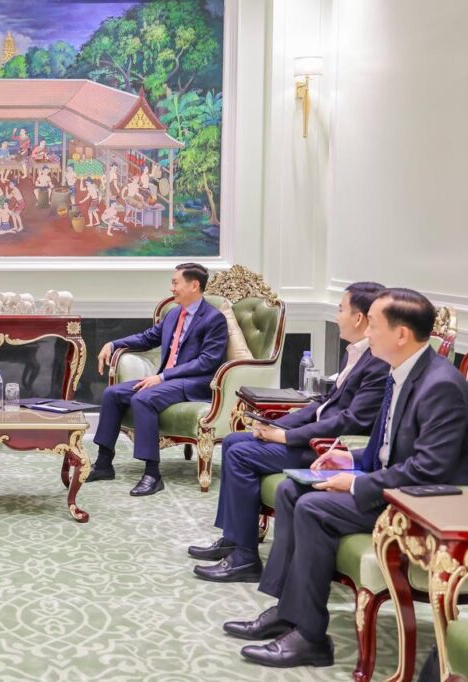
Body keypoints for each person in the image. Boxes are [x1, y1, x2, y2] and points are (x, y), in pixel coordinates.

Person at [226, 288, 468, 669]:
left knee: (313, 507)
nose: (367, 333)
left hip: (419, 503)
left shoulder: (441, 385)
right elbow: (385, 448)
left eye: (374, 325)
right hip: (391, 483)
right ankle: (289, 612)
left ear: (401, 334)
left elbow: (428, 469)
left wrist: (355, 483)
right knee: (290, 489)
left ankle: (310, 638)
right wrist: (348, 459)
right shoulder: (400, 371)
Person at [190, 282, 389, 583]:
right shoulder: (355, 352)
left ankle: (245, 559)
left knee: (241, 453)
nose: (337, 316)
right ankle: (233, 538)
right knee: (232, 441)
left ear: (359, 318)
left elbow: (351, 421)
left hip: (331, 447)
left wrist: (285, 437)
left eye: (341, 310)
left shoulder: (378, 362)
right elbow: (325, 403)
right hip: (315, 435)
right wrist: (282, 423)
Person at [92, 263, 228, 495]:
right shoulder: (174, 314)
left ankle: (152, 474)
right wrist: (113, 344)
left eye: (176, 282)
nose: (172, 288)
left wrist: (162, 376)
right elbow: (147, 338)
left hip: (195, 383)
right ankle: (104, 463)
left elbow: (207, 362)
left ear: (194, 285)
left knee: (144, 398)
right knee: (112, 394)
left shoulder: (214, 319)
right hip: (168, 380)